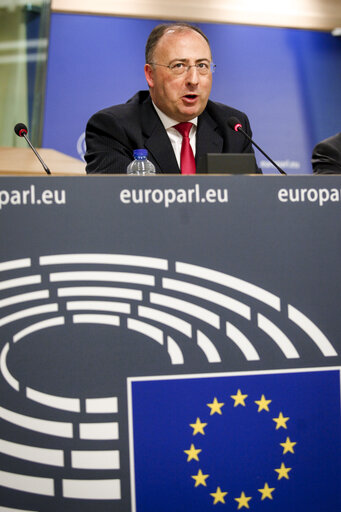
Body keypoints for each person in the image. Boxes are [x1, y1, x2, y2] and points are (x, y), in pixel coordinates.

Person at [85, 22, 256, 174]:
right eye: (179, 66)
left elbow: (249, 199)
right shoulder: (113, 129)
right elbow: (117, 203)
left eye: (202, 65)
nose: (193, 80)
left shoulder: (233, 128)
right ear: (150, 75)